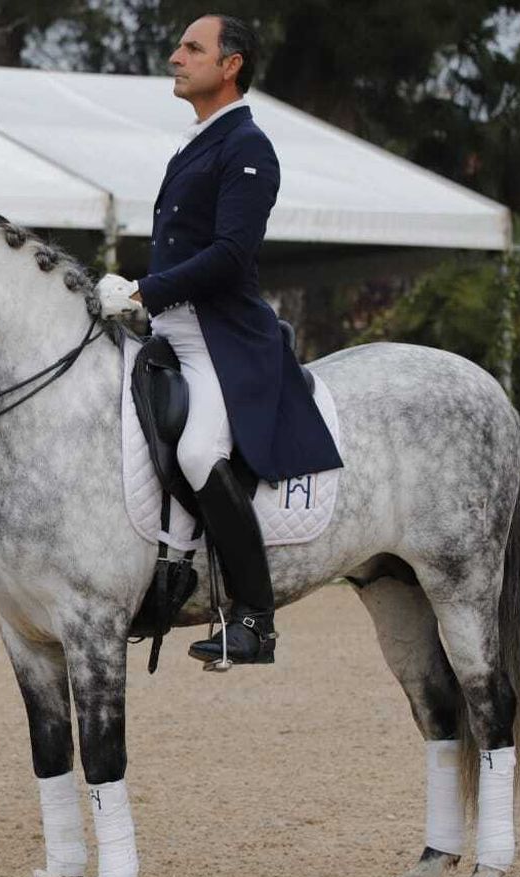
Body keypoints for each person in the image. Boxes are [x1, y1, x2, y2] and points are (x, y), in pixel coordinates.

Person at [97, 15, 342, 666]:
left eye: (191, 48)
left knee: (202, 451)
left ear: (230, 65)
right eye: (179, 46)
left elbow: (232, 256)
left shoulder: (247, 146)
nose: (175, 57)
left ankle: (255, 621)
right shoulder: (196, 142)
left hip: (220, 340)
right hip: (171, 332)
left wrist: (146, 289)